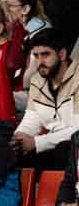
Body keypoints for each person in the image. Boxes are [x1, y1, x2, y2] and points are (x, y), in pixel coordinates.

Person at [13, 31, 77, 171]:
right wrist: (19, 138)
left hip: (72, 147)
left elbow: (76, 129)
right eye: (36, 56)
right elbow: (32, 118)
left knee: (65, 149)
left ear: (62, 54)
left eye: (45, 55)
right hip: (50, 144)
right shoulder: (37, 80)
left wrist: (37, 142)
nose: (40, 62)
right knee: (11, 151)